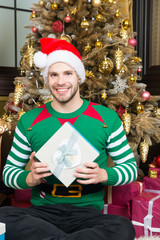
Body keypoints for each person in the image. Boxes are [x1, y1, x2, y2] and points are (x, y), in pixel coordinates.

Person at [0, 38, 137, 240]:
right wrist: (30, 178)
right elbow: (8, 174)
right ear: (47, 80)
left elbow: (130, 169)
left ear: (78, 77)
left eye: (68, 73)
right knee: (2, 217)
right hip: (42, 214)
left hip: (88, 215)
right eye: (53, 75)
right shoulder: (29, 120)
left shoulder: (106, 118)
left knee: (123, 228)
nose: (61, 81)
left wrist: (103, 175)